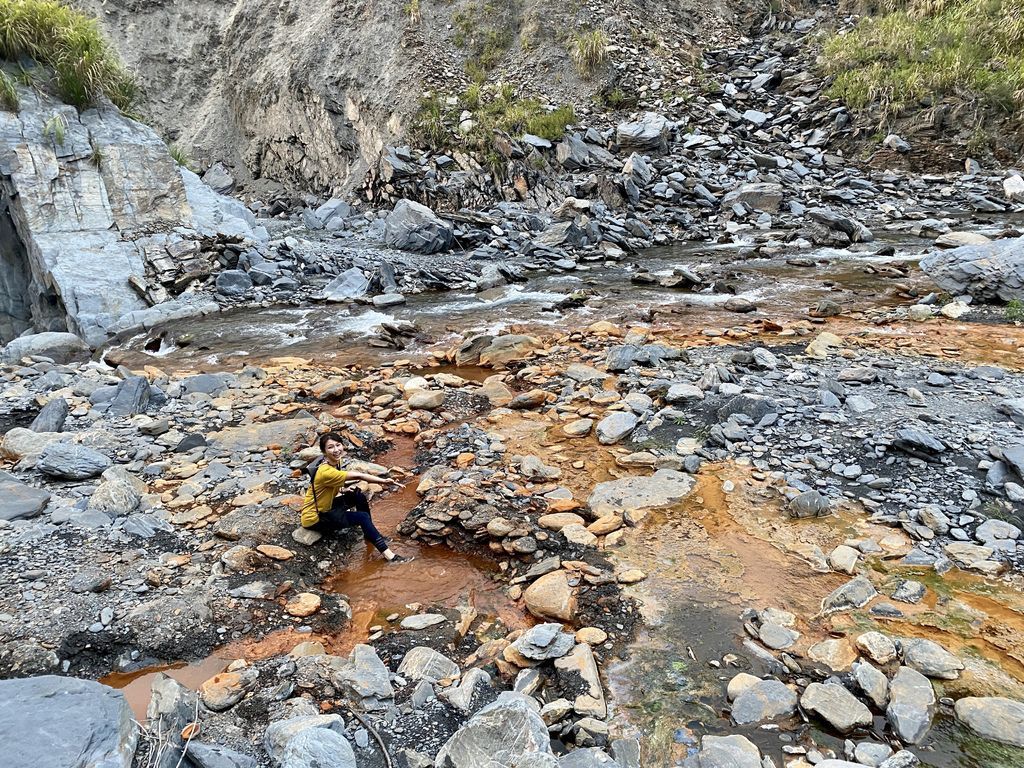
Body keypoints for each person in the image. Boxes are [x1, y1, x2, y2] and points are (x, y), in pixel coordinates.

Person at [300, 432, 412, 563]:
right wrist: (384, 481)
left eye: (338, 445)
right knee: (362, 517)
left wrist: (344, 488)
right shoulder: (326, 471)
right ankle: (390, 557)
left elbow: (333, 483)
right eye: (330, 447)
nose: (336, 450)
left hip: (326, 506)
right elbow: (359, 476)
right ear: (323, 451)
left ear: (342, 445)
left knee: (358, 496)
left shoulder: (334, 461)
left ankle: (369, 534)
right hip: (315, 517)